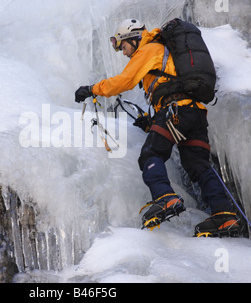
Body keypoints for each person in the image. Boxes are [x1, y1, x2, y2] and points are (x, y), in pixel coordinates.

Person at [75, 18, 240, 237]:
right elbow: (170, 88)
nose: (124, 53)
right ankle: (224, 215)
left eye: (123, 47)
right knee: (197, 165)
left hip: (177, 111)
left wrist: (92, 89)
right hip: (195, 114)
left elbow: (125, 81)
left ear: (133, 39)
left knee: (151, 153)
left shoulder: (150, 48)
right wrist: (152, 124)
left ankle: (164, 197)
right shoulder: (165, 53)